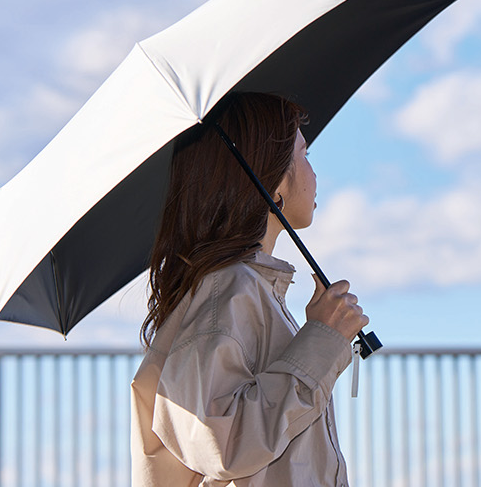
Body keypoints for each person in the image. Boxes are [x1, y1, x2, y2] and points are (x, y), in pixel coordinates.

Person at [129, 92, 368, 486]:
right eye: (304, 155)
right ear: (272, 182)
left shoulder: (244, 289)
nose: (314, 173)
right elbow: (218, 442)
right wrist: (322, 340)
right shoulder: (229, 288)